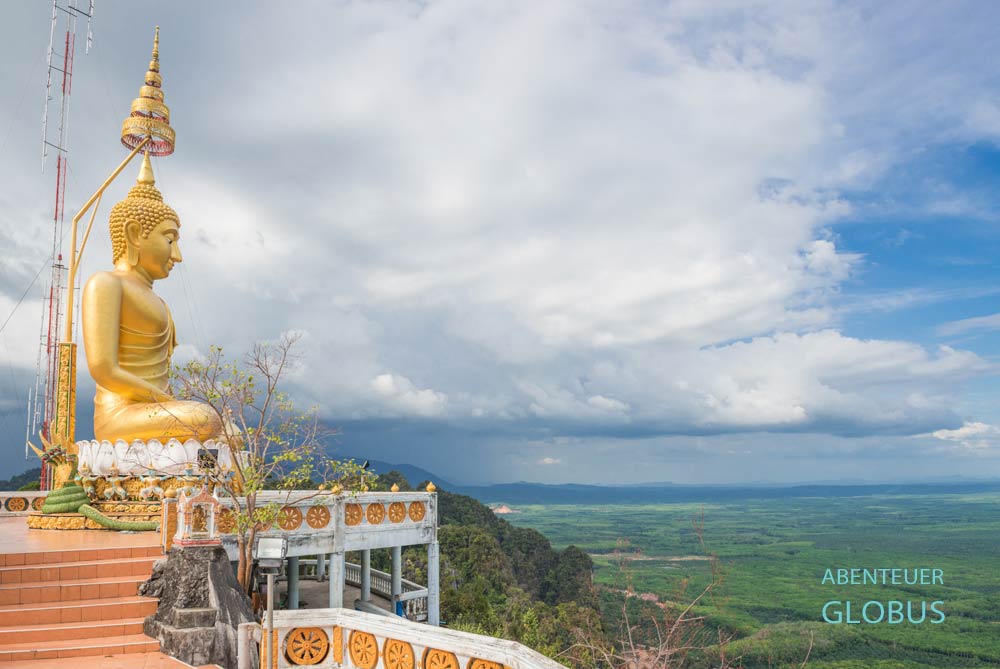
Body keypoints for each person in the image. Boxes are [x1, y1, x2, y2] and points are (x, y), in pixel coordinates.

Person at [82, 153, 224, 444]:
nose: (177, 255)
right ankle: (196, 478)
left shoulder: (160, 302)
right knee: (205, 420)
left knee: (226, 434)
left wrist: (166, 404)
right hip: (121, 416)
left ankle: (204, 482)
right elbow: (103, 369)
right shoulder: (105, 284)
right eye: (170, 240)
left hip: (157, 410)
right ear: (134, 234)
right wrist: (165, 403)